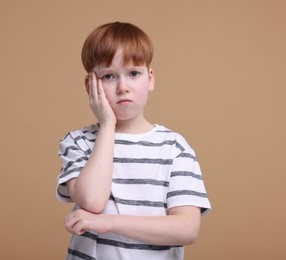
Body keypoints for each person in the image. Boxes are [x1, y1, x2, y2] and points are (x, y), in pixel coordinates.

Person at [56, 21, 211, 260]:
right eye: (109, 76)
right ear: (90, 85)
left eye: (133, 74)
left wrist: (110, 223)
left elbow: (187, 229)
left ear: (149, 79)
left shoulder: (175, 148)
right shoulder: (78, 142)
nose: (122, 87)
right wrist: (108, 126)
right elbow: (93, 200)